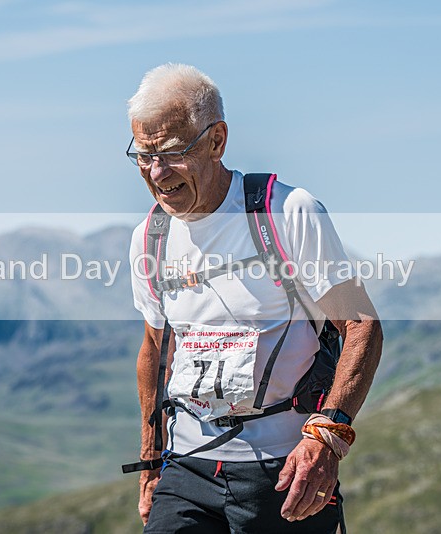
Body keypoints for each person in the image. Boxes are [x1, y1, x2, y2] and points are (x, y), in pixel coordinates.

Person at [125, 63, 383, 534]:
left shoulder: (287, 212)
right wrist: (151, 462)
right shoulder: (150, 236)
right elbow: (157, 350)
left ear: (217, 140)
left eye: (171, 152)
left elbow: (361, 325)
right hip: (186, 467)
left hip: (284, 472)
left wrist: (328, 438)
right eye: (143, 155)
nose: (157, 173)